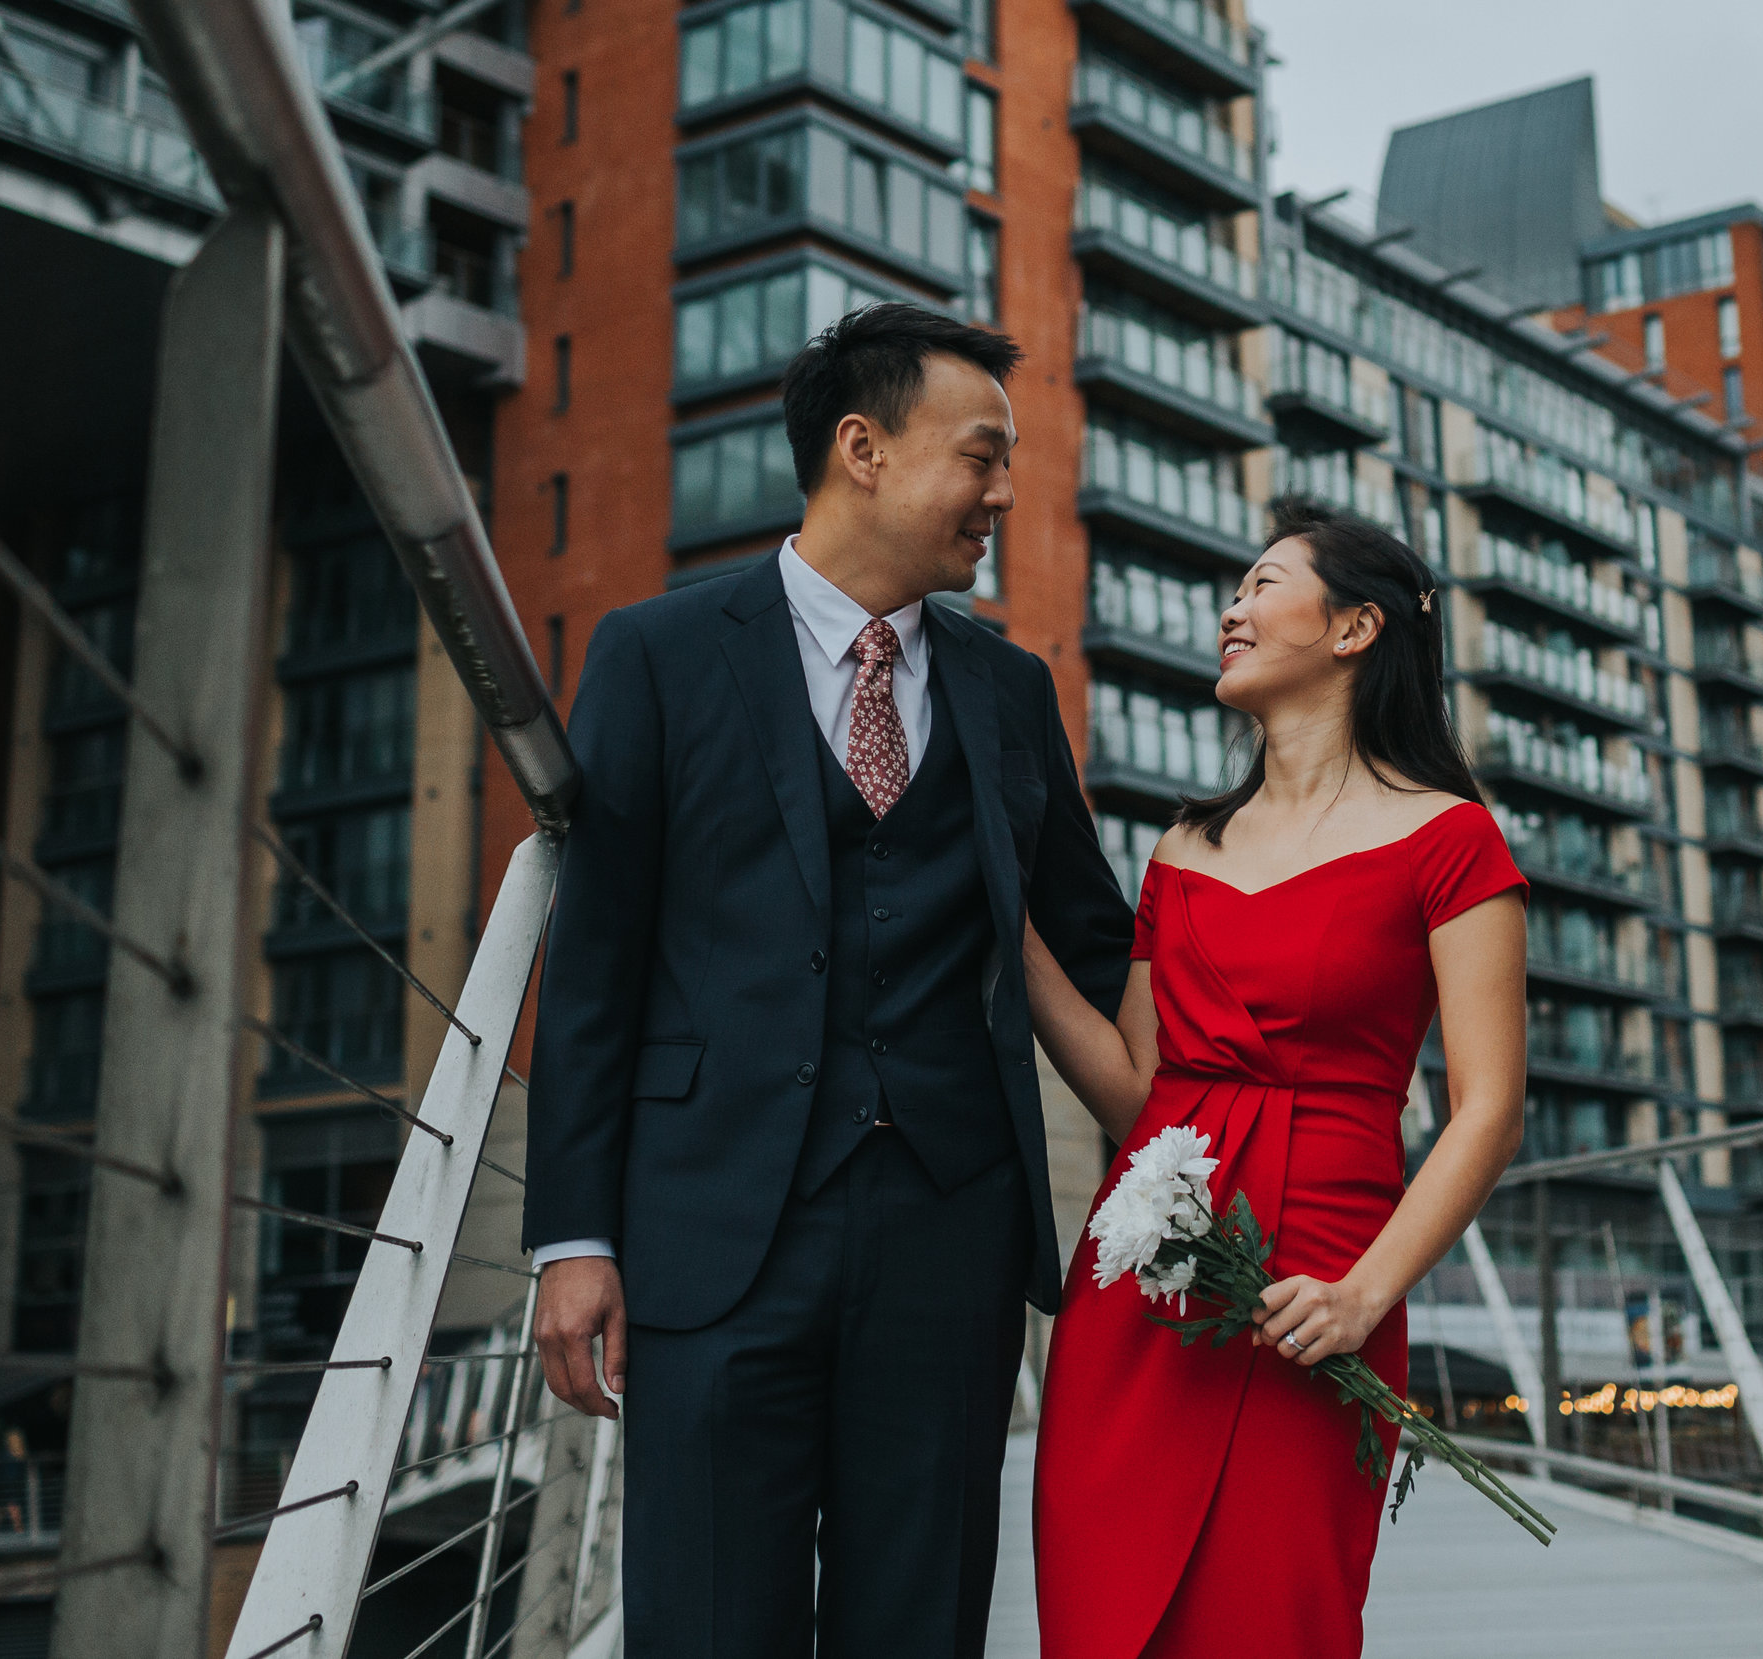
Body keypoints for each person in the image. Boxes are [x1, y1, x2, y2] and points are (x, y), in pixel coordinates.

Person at [524, 302, 1134, 1658]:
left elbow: (1102, 943)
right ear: (861, 447)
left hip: (948, 1231)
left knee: (919, 1624)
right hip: (714, 1229)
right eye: (981, 453)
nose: (1003, 490)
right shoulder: (659, 653)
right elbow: (595, 963)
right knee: (706, 1623)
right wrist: (575, 1237)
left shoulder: (1007, 688)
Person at [1023, 497, 1530, 1658]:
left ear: (1353, 629)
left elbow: (1489, 1109)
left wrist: (1363, 1293)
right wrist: (1008, 935)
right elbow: (1137, 1092)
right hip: (1139, 1289)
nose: (1228, 610)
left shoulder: (1451, 838)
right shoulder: (1180, 846)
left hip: (1316, 1286)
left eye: (1259, 584)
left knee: (1275, 1611)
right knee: (1104, 1615)